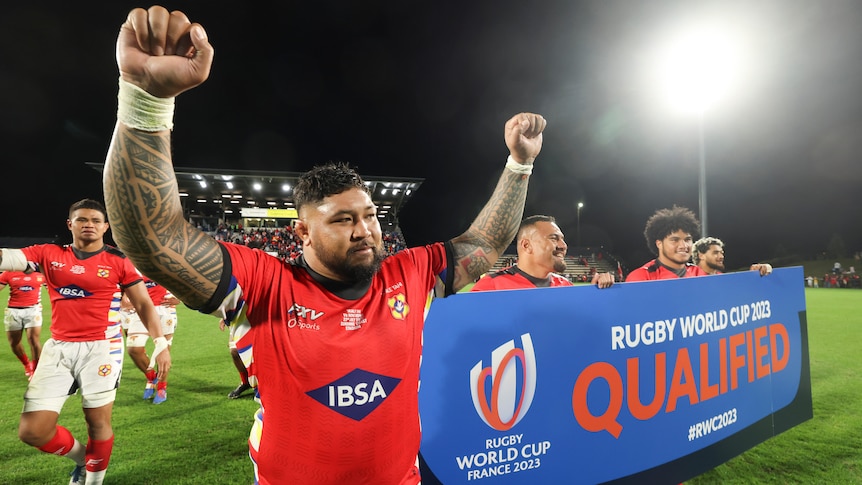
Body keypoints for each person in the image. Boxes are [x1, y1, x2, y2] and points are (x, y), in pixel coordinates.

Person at [103, 7, 545, 483]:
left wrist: (519, 164)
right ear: (303, 233)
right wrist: (146, 102)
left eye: (370, 216)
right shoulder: (264, 285)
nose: (365, 230)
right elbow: (153, 237)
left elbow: (483, 242)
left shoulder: (410, 274)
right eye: (342, 220)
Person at [0, 199, 172, 485]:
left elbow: (143, 303)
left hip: (103, 349)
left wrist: (161, 343)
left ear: (106, 226)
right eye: (81, 219)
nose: (88, 224)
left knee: (97, 423)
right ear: (70, 224)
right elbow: (7, 257)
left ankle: (93, 479)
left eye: (95, 220)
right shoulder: (47, 253)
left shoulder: (119, 261)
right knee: (33, 431)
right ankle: (82, 458)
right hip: (58, 349)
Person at [470, 215, 614, 290]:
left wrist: (595, 295)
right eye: (553, 238)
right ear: (527, 245)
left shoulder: (565, 286)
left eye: (562, 239)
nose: (563, 245)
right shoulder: (491, 286)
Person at [120, 275, 179, 404]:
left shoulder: (159, 262)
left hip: (165, 309)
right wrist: (123, 299)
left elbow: (183, 280)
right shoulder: (129, 264)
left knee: (162, 352)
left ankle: (162, 388)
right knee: (133, 348)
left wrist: (180, 299)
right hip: (142, 310)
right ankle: (152, 377)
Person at [625, 206, 708, 282]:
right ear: (659, 244)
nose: (683, 246)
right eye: (675, 240)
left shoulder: (700, 274)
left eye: (687, 239)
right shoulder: (641, 277)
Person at [0, 269, 46, 379]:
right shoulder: (9, 273)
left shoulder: (41, 274)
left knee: (34, 340)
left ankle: (35, 371)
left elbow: (54, 290)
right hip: (13, 311)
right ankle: (26, 364)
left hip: (33, 310)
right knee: (14, 343)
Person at [219, 317, 253, 399]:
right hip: (237, 319)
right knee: (234, 351)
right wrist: (224, 317)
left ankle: (261, 384)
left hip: (254, 317)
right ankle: (245, 382)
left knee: (256, 351)